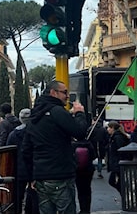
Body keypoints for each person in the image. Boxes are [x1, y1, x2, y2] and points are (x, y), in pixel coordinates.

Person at [22, 80, 88, 214]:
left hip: (41, 177)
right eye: (64, 92)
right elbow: (80, 132)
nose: (67, 96)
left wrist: (31, 177)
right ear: (53, 92)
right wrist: (79, 113)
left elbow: (26, 149)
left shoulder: (35, 116)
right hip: (61, 174)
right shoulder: (57, 111)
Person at [6, 108, 35, 214]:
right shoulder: (35, 133)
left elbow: (8, 152)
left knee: (17, 197)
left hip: (18, 168)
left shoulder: (13, 135)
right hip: (33, 168)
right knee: (33, 195)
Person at [106, 121, 130, 194]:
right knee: (118, 181)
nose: (107, 129)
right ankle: (123, 194)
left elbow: (120, 150)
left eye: (108, 128)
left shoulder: (117, 137)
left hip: (118, 163)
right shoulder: (114, 137)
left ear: (112, 128)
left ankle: (124, 194)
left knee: (113, 181)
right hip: (117, 162)